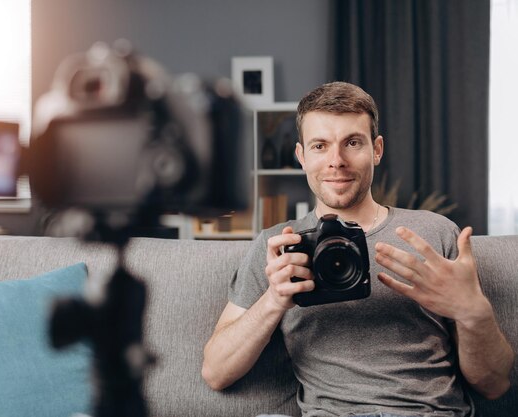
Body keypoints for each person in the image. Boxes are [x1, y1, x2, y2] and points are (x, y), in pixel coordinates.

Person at [201, 82, 514, 417]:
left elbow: (494, 385)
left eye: (353, 143)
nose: (337, 161)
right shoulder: (279, 246)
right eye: (320, 146)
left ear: (377, 150)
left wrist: (472, 312)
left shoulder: (434, 233)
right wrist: (274, 300)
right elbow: (216, 373)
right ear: (302, 157)